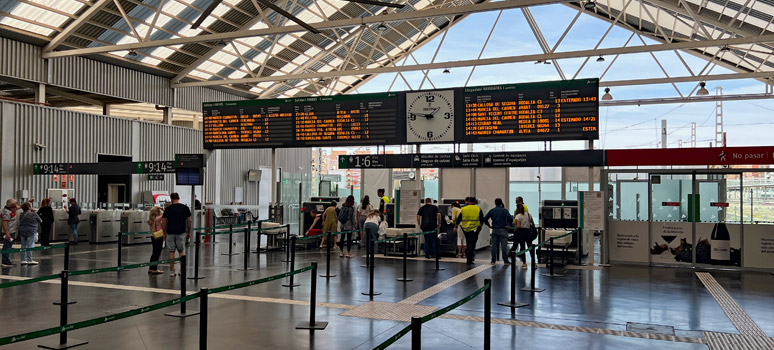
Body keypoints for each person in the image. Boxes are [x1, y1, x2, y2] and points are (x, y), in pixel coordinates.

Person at [162, 193, 192, 277]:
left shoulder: (168, 209)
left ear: (171, 199)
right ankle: (181, 270)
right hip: (181, 232)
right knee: (181, 251)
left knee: (171, 252)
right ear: (178, 198)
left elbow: (164, 222)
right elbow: (189, 221)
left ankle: (172, 271)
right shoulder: (185, 208)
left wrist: (164, 233)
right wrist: (189, 232)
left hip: (170, 232)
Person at [455, 197, 484, 265]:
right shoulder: (478, 209)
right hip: (475, 229)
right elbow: (482, 219)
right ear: (474, 202)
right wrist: (480, 226)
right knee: (472, 244)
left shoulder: (463, 209)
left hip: (465, 229)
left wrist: (456, 225)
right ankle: (469, 259)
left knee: (468, 243)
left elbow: (459, 218)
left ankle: (470, 257)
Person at [484, 198, 513, 265]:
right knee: (504, 246)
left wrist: (489, 225)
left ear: (495, 203)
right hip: (503, 229)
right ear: (501, 202)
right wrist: (509, 225)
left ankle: (493, 260)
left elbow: (485, 219)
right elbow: (511, 218)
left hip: (495, 230)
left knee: (494, 246)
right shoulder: (504, 210)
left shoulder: (492, 211)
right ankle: (505, 260)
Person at [512, 203, 536, 270]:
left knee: (522, 248)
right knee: (530, 247)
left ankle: (524, 263)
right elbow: (533, 224)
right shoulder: (529, 214)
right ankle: (534, 263)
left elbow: (518, 226)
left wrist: (515, 229)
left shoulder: (518, 216)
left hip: (521, 233)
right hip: (528, 232)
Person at [2, 199, 19, 267]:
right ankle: (5, 260)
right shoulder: (7, 212)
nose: (17, 205)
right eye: (15, 203)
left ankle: (6, 259)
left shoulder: (11, 209)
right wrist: (7, 233)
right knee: (7, 246)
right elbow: (5, 223)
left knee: (8, 246)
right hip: (9, 231)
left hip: (12, 230)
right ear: (12, 205)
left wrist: (29, 201)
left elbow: (19, 207)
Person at [147, 207, 164, 275]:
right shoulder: (158, 218)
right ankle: (154, 269)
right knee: (157, 253)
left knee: (154, 253)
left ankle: (151, 268)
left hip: (153, 236)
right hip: (159, 236)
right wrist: (162, 209)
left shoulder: (151, 220)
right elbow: (166, 214)